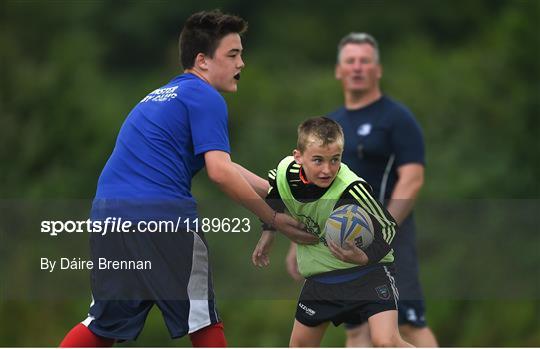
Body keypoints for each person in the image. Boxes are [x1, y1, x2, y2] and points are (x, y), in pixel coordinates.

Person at [59, 10, 316, 347]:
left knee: (103, 322)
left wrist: (274, 191)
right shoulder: (205, 96)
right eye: (233, 54)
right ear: (202, 61)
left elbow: (225, 164)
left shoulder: (160, 96)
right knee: (202, 318)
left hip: (109, 217)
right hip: (161, 216)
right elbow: (220, 173)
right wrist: (272, 218)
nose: (242, 64)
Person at [286, 32, 438, 347]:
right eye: (350, 61)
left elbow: (412, 179)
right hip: (337, 242)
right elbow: (312, 187)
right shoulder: (331, 124)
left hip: (388, 239)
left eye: (365, 61)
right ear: (338, 70)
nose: (357, 67)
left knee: (407, 323)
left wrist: (382, 235)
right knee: (356, 331)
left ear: (377, 69)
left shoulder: (397, 119)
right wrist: (297, 241)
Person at [252, 117, 412, 347]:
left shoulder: (352, 188)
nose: (327, 170)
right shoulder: (284, 172)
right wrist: (268, 231)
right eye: (318, 160)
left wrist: (364, 257)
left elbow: (388, 227)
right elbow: (274, 190)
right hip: (322, 278)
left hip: (368, 275)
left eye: (334, 160)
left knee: (386, 342)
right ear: (298, 157)